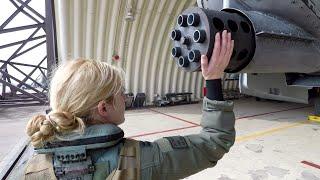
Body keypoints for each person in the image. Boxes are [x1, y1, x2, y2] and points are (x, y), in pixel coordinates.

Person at [11, 30, 235, 180]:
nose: (126, 98)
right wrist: (213, 78)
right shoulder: (141, 160)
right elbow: (214, 142)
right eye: (121, 94)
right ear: (104, 108)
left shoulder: (26, 169)